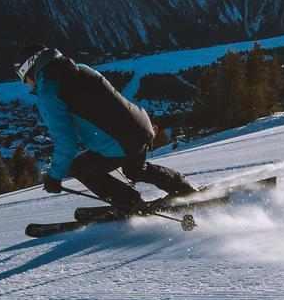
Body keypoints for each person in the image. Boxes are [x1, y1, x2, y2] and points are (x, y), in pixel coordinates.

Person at [17, 45, 196, 214]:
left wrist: (54, 177)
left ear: (31, 68)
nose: (28, 85)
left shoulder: (49, 92)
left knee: (80, 167)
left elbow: (66, 141)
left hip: (119, 140)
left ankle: (130, 204)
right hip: (140, 125)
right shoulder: (81, 69)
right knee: (135, 170)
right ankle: (182, 188)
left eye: (25, 79)